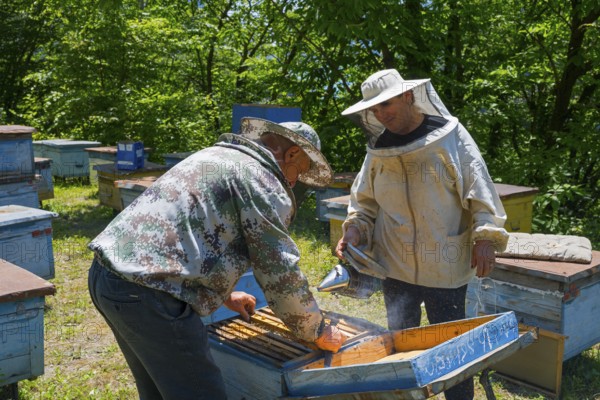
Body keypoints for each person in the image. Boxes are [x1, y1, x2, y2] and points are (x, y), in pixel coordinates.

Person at [88, 117, 345, 400]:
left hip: (109, 276)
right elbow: (279, 273)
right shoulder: (262, 181)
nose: (294, 181)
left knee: (160, 392)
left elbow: (190, 232)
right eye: (299, 171)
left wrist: (224, 294)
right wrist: (316, 331)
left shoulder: (214, 157)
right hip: (150, 293)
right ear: (292, 153)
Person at [335, 69, 509, 400]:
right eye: (374, 110)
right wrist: (355, 230)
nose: (380, 115)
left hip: (444, 264)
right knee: (401, 343)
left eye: (386, 105)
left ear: (407, 96)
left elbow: (480, 190)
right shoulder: (378, 149)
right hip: (395, 263)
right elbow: (364, 201)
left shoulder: (450, 136)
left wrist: (485, 238)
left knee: (453, 347)